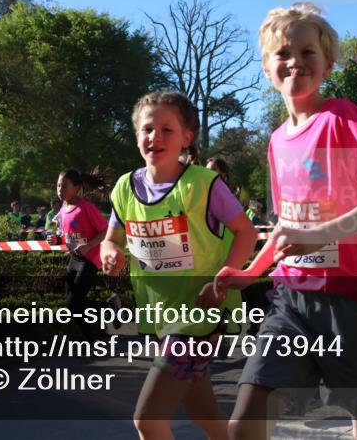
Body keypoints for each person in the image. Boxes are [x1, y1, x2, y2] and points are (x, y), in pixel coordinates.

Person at [212, 2, 357, 440]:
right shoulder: (278, 141)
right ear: (266, 68)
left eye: (307, 52)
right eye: (282, 53)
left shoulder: (343, 119)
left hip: (351, 302)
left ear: (327, 63)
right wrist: (248, 273)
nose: (294, 61)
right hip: (290, 301)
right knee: (245, 422)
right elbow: (286, 228)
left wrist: (317, 234)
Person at [100, 91, 257, 440]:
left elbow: (245, 233)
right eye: (147, 129)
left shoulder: (204, 183)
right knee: (204, 411)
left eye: (166, 130)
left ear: (186, 138)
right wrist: (109, 252)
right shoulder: (126, 187)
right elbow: (112, 239)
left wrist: (223, 279)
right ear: (136, 135)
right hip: (161, 316)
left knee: (148, 420)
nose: (155, 137)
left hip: (200, 315)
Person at [55, 169, 110, 339]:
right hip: (74, 258)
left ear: (77, 188)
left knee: (74, 302)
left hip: (90, 259)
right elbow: (64, 235)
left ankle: (91, 339)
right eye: (57, 186)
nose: (59, 190)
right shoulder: (63, 208)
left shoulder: (86, 208)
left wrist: (88, 246)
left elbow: (106, 231)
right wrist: (54, 239)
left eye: (64, 186)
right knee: (71, 304)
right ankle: (107, 310)